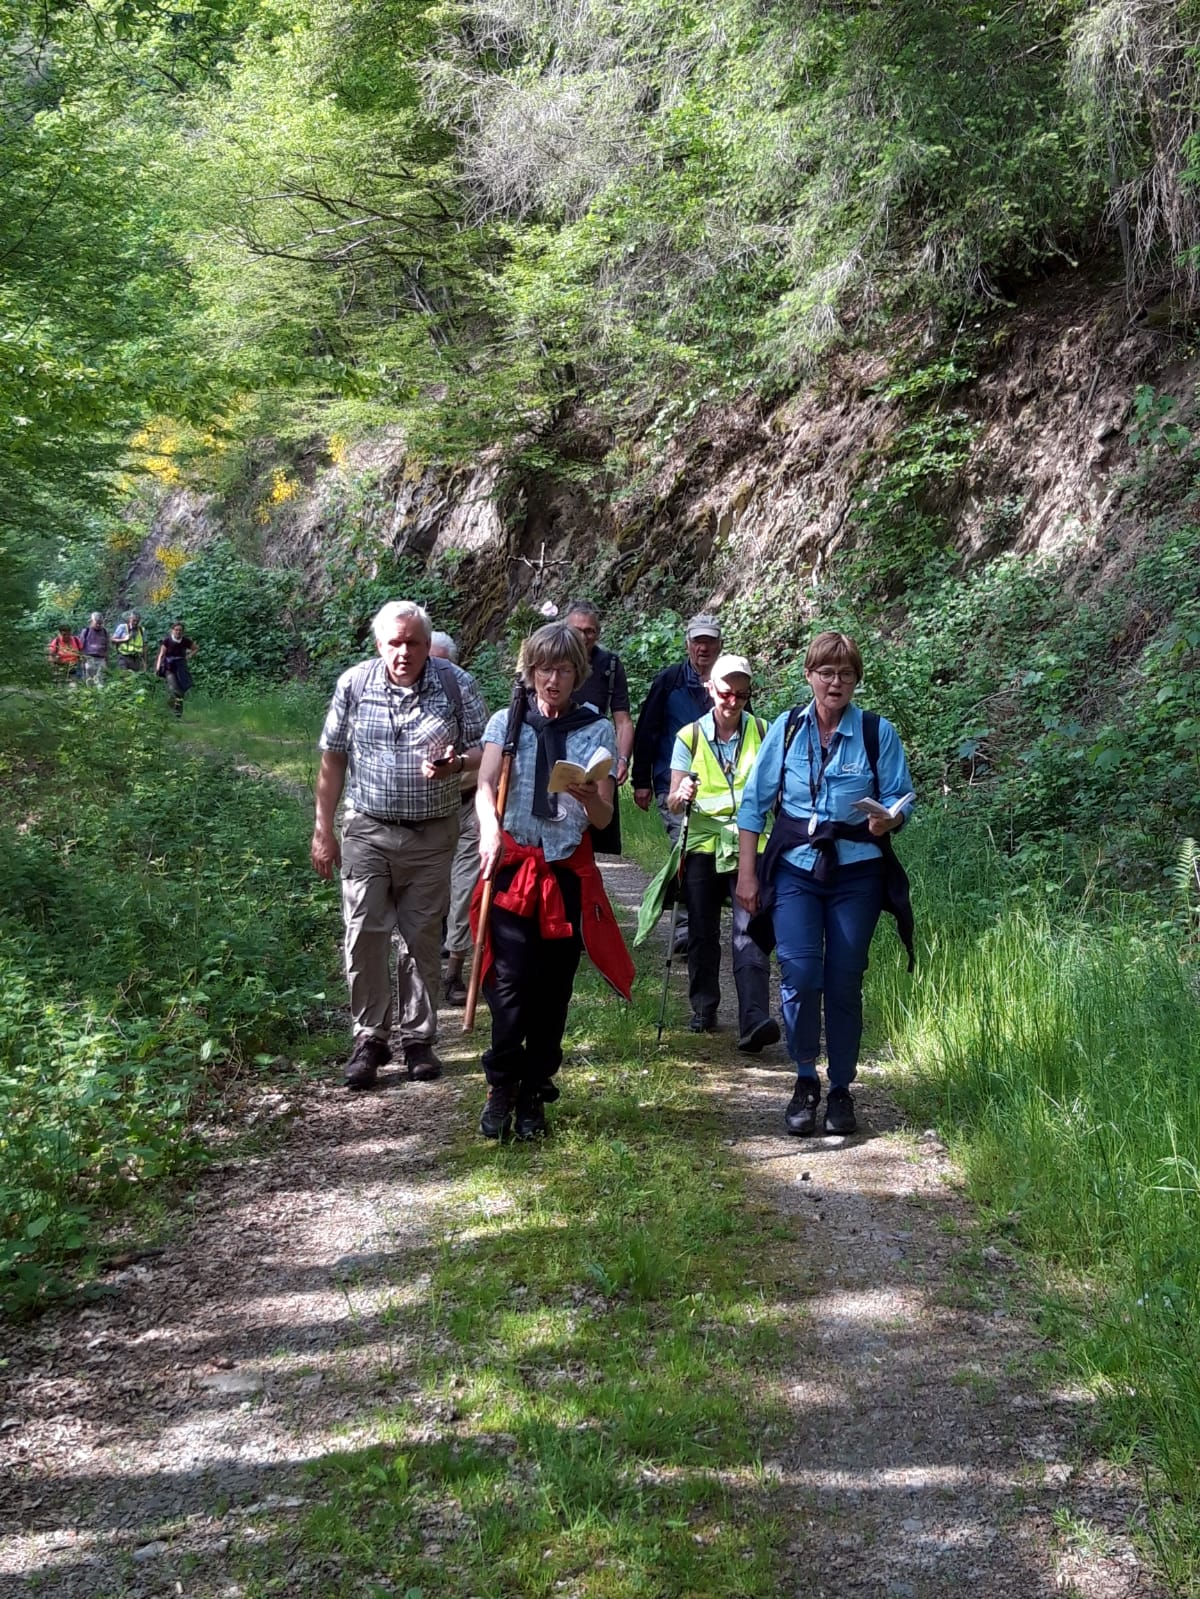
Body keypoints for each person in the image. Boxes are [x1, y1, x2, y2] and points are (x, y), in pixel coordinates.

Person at [735, 632, 915, 1137]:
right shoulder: (788, 729)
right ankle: (804, 1077)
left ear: (856, 679)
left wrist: (888, 822)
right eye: (826, 672)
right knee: (800, 972)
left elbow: (902, 796)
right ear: (810, 675)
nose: (835, 682)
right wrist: (748, 874)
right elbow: (753, 804)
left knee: (843, 978)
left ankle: (840, 1088)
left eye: (845, 674)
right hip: (795, 869)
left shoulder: (879, 733)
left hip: (857, 872)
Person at [312, 600, 487, 1089]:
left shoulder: (457, 685)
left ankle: (418, 1040)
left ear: (427, 645)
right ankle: (369, 1038)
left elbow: (487, 751)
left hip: (432, 834)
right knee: (364, 932)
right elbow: (333, 759)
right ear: (378, 644)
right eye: (395, 642)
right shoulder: (354, 684)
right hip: (367, 829)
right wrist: (323, 829)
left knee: (421, 938)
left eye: (413, 642)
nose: (404, 652)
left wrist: (457, 764)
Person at [473, 621, 634, 1140]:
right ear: (530, 671)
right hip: (515, 871)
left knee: (552, 990)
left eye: (563, 669)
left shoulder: (595, 729)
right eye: (544, 668)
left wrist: (591, 798)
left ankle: (535, 1091)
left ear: (578, 674)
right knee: (511, 984)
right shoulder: (507, 722)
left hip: (564, 877)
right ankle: (502, 1082)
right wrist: (488, 831)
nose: (553, 679)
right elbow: (483, 783)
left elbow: (606, 819)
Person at [642, 653, 780, 1050]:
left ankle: (754, 1018)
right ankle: (703, 1007)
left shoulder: (765, 731)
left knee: (749, 927)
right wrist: (680, 794)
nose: (732, 701)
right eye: (725, 692)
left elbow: (776, 788)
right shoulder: (689, 735)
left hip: (751, 841)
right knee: (702, 928)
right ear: (710, 690)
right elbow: (671, 800)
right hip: (702, 840)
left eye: (741, 693)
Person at [631, 612, 723, 948]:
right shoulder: (669, 680)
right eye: (698, 641)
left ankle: (704, 919)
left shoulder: (731, 683)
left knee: (711, 853)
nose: (704, 647)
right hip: (672, 783)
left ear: (720, 645)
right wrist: (640, 780)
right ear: (688, 645)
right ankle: (687, 930)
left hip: (720, 787)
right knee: (684, 847)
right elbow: (648, 730)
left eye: (710, 641)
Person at [430, 630, 482, 1006]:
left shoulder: (465, 695)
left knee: (464, 888)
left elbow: (487, 753)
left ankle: (454, 973)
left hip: (467, 806)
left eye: (440, 662)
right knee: (431, 890)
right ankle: (425, 964)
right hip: (424, 814)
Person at [155, 621, 198, 715]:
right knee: (174, 688)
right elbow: (161, 655)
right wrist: (158, 667)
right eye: (176, 630)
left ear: (183, 631)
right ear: (172, 630)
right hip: (169, 667)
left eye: (180, 630)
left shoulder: (186, 641)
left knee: (182, 689)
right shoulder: (167, 640)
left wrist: (189, 656)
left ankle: (177, 712)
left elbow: (195, 648)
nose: (178, 632)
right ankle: (172, 709)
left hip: (181, 667)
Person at [78, 613, 110, 685]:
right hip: (89, 658)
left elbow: (107, 645)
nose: (99, 625)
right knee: (90, 679)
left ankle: (100, 694)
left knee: (100, 679)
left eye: (100, 623)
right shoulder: (86, 631)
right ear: (92, 622)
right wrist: (82, 657)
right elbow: (81, 645)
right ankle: (90, 693)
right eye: (97, 623)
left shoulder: (105, 632)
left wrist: (107, 658)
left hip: (101, 658)